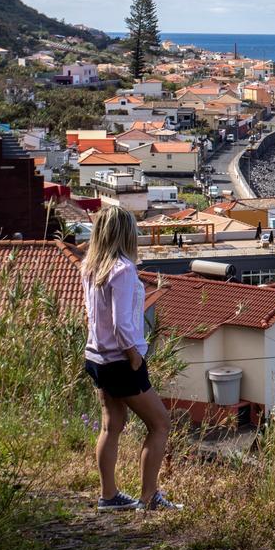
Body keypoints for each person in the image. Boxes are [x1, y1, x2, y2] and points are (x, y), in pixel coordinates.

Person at [81, 206, 181, 511]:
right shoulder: (122, 270)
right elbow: (121, 323)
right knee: (160, 424)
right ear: (126, 234)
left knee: (111, 425)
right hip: (121, 360)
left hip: (96, 357)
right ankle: (149, 497)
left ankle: (109, 496)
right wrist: (134, 357)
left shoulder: (89, 267)